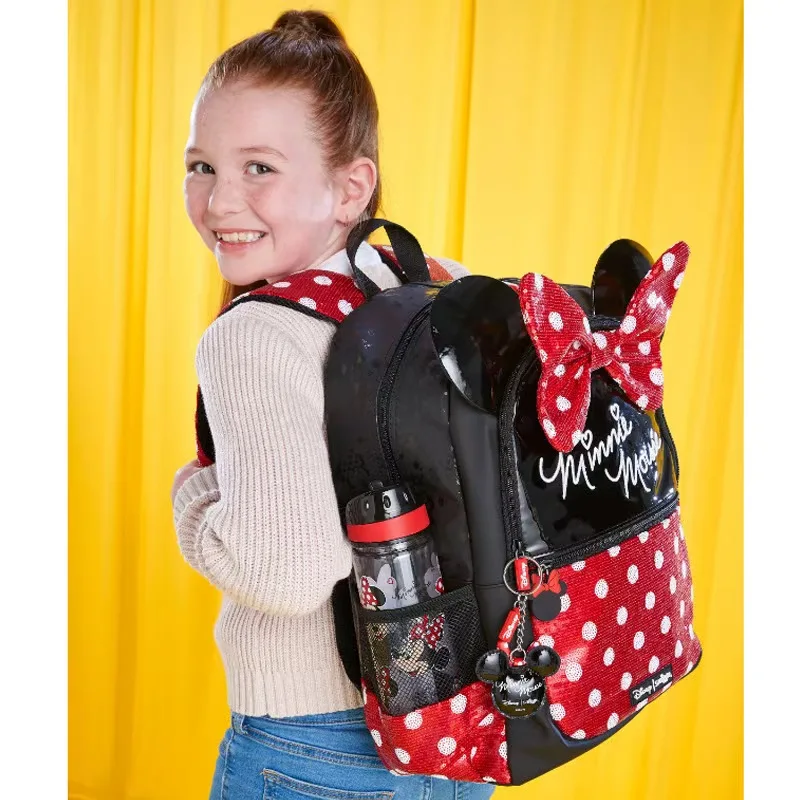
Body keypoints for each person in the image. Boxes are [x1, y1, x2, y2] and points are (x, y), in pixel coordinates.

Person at [170, 9, 494, 799]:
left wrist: (194, 500)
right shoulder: (436, 287)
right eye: (201, 166)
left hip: (312, 747)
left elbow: (285, 574)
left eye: (259, 167)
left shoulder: (255, 336)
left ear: (351, 188)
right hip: (460, 731)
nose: (219, 201)